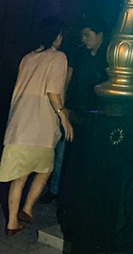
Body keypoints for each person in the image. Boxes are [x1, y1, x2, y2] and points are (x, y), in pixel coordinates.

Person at [0, 17, 74, 236]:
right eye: (61, 34)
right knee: (46, 169)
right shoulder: (58, 57)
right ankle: (28, 208)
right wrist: (64, 117)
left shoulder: (27, 58)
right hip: (41, 126)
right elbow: (53, 92)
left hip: (19, 124)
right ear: (56, 35)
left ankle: (12, 223)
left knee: (19, 178)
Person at [40, 17, 108, 204]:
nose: (83, 39)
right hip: (74, 109)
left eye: (87, 35)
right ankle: (55, 190)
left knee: (86, 154)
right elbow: (67, 80)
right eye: (82, 36)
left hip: (96, 113)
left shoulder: (109, 55)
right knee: (62, 152)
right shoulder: (78, 54)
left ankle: (79, 193)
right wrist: (64, 107)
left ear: (100, 35)